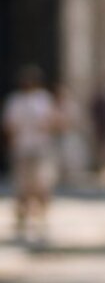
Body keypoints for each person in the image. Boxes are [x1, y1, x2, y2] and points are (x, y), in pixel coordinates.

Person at [2, 64, 61, 244]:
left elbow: (53, 121)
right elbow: (9, 125)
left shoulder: (43, 99)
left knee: (42, 184)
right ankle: (23, 219)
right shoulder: (15, 101)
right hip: (23, 148)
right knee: (22, 186)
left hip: (40, 148)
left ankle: (42, 219)